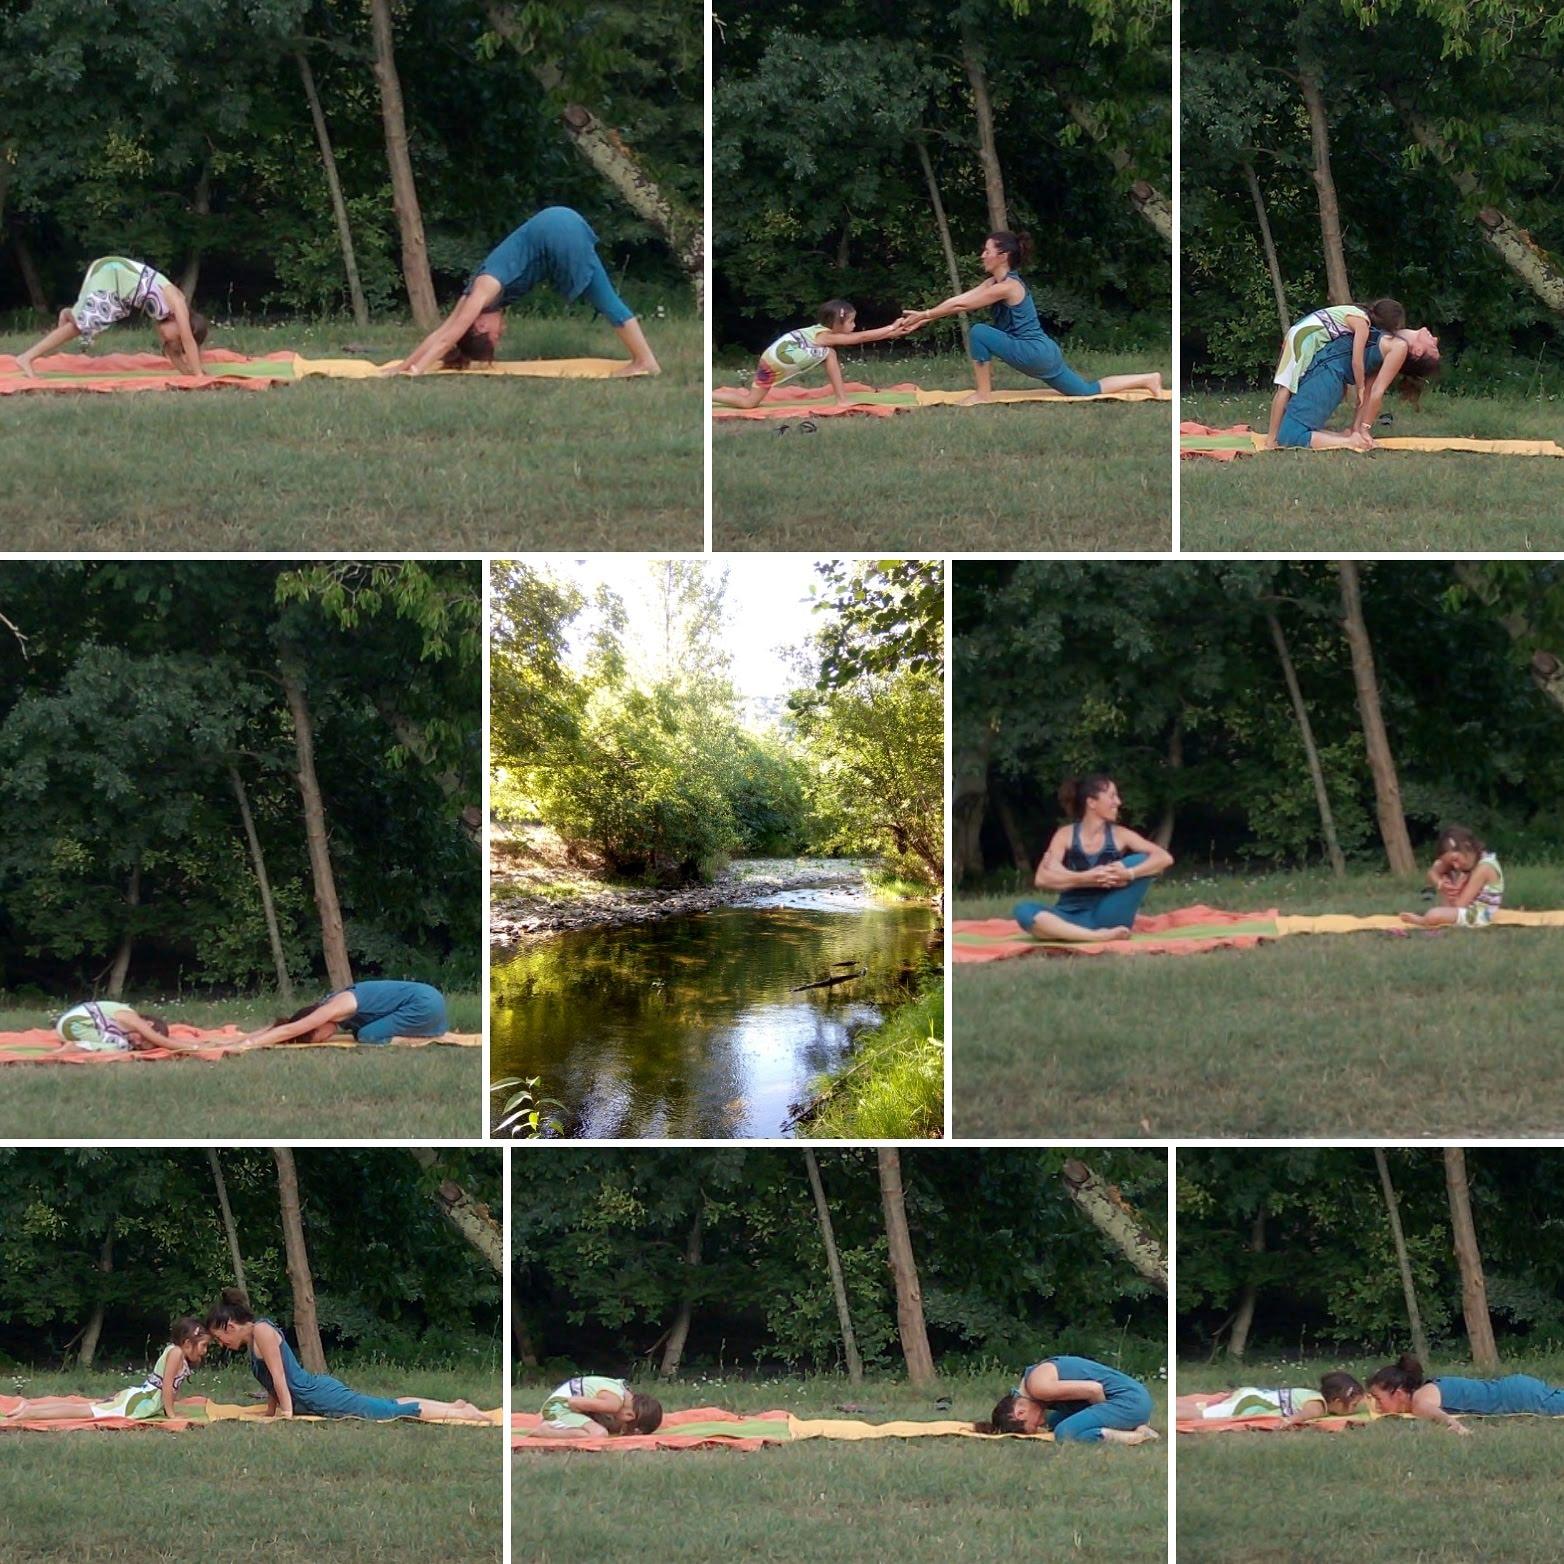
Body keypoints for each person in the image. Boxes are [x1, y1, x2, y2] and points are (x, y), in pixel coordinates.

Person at [383, 207, 658, 378]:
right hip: (558, 222)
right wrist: (404, 365)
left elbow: (448, 339)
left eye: (495, 334)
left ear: (478, 325)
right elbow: (442, 333)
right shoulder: (472, 295)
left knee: (604, 299)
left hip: (557, 231)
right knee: (607, 300)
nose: (502, 329)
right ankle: (645, 360)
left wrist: (417, 371)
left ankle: (644, 361)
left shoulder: (484, 289)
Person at [899, 232, 1163, 405]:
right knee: (1087, 391)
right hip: (1044, 352)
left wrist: (925, 315)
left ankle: (982, 394)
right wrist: (925, 316)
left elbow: (962, 305)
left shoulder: (1008, 286)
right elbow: (960, 298)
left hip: (1034, 352)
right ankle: (1148, 378)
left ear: (1002, 256)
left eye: (987, 250)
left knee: (979, 331)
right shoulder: (995, 281)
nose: (982, 254)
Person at [205, 1289, 488, 1422]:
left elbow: (279, 1376)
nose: (221, 1344)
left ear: (230, 1326)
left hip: (320, 1395)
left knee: (386, 1413)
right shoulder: (255, 1337)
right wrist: (269, 1411)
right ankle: (454, 1404)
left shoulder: (263, 1331)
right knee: (384, 1403)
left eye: (220, 1338)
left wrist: (286, 1415)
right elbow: (271, 1382)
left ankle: (461, 1414)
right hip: (314, 1395)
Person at [1012, 774, 1175, 943]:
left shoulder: (1121, 835)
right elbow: (1042, 879)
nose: (1118, 802)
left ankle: (1068, 933)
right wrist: (1088, 878)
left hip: (1108, 915)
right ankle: (1095, 936)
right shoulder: (1065, 835)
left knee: (1139, 859)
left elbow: (1164, 858)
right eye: (1112, 796)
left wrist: (1129, 874)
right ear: (1092, 803)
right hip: (1068, 915)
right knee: (1023, 910)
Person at [12, 257, 207, 378]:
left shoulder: (165, 317)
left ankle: (71, 314)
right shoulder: (177, 301)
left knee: (94, 323)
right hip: (112, 272)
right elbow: (188, 340)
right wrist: (198, 374)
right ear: (186, 326)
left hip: (120, 289)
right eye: (175, 338)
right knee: (82, 326)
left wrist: (192, 374)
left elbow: (175, 354)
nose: (167, 339)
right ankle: (26, 357)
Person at [711, 300, 914, 408]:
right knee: (829, 354)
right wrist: (889, 328)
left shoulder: (817, 331)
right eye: (851, 322)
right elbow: (860, 338)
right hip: (782, 358)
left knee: (750, 402)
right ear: (835, 324)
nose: (854, 325)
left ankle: (709, 397)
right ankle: (842, 399)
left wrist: (893, 331)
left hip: (770, 359)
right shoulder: (825, 337)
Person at [1270, 324, 1440, 451]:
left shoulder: (1399, 347)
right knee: (1290, 429)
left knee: (1288, 437)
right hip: (1327, 373)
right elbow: (1367, 392)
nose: (1436, 339)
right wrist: (1355, 430)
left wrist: (1363, 429)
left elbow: (1374, 393)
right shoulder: (1391, 337)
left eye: (1433, 347)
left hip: (1328, 374)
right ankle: (1346, 439)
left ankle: (1347, 443)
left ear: (1417, 352)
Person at [3, 1317, 210, 1422]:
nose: (205, 1351)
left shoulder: (178, 1353)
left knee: (87, 1408)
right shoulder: (175, 1353)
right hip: (140, 1401)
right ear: (187, 1342)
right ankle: (29, 1412)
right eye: (203, 1346)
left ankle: (29, 1408)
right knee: (84, 1412)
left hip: (142, 1398)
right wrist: (172, 1415)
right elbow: (166, 1386)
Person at [1265, 299, 1406, 447]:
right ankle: (1271, 438)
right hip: (1303, 338)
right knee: (1285, 388)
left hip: (1301, 334)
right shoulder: (1362, 324)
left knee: (1291, 387)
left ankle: (1281, 429)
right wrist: (1360, 387)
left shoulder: (1357, 313)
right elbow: (1356, 361)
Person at [976, 1356, 1158, 1444]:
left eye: (1034, 1424)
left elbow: (1094, 1390)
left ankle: (1136, 1435)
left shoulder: (1039, 1387)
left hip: (1129, 1401)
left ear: (1020, 1412)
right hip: (1129, 1399)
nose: (1040, 1422)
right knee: (1055, 1422)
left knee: (1064, 1433)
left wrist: (1107, 1416)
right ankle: (1134, 1424)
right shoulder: (1032, 1386)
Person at [1367, 1354, 1564, 1434]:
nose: (1377, 1405)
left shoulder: (1420, 1400)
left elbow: (1432, 1412)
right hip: (1515, 1389)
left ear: (1399, 1393)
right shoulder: (1427, 1390)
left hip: (1517, 1398)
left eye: (1378, 1398)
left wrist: (1455, 1426)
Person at [236, 981, 449, 1048]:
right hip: (428, 998)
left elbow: (293, 1028)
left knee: (367, 1035)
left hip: (424, 1004)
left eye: (322, 1035)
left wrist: (244, 1046)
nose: (329, 1037)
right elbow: (287, 1024)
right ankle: (424, 1034)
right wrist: (247, 1036)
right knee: (362, 1033)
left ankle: (416, 1039)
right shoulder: (330, 1006)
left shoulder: (334, 1007)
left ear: (317, 1022)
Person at [1399, 825, 1503, 929]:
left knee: (1434, 914)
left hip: (1477, 915)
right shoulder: (1467, 861)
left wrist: (1455, 890)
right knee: (1438, 865)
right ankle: (1442, 912)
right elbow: (1432, 872)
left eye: (1456, 859)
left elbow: (1460, 904)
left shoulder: (1484, 868)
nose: (1456, 866)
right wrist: (1441, 884)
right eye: (1452, 862)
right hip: (1462, 906)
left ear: (1466, 846)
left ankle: (1422, 921)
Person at [1175, 1371, 1368, 1426]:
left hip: (1253, 1394)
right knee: (1204, 1415)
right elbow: (1303, 1415)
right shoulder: (1318, 1406)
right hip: (1253, 1403)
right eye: (1353, 1405)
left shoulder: (1314, 1394)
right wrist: (1288, 1421)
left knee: (1212, 1406)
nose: (1354, 1409)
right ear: (1335, 1402)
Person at [536, 1375, 664, 1438]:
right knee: (599, 1434)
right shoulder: (614, 1404)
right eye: (625, 1428)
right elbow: (574, 1402)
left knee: (608, 1427)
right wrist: (586, 1421)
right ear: (629, 1415)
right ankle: (546, 1431)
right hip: (558, 1408)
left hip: (563, 1402)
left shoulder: (624, 1393)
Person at [54, 999, 185, 1054]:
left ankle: (79, 1044)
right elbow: (160, 1040)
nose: (136, 1042)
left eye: (139, 1046)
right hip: (75, 1024)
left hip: (68, 1026)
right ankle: (77, 1047)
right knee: (122, 1046)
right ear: (149, 1025)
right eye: (143, 1039)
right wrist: (195, 1048)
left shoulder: (126, 1024)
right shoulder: (133, 1018)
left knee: (124, 1045)